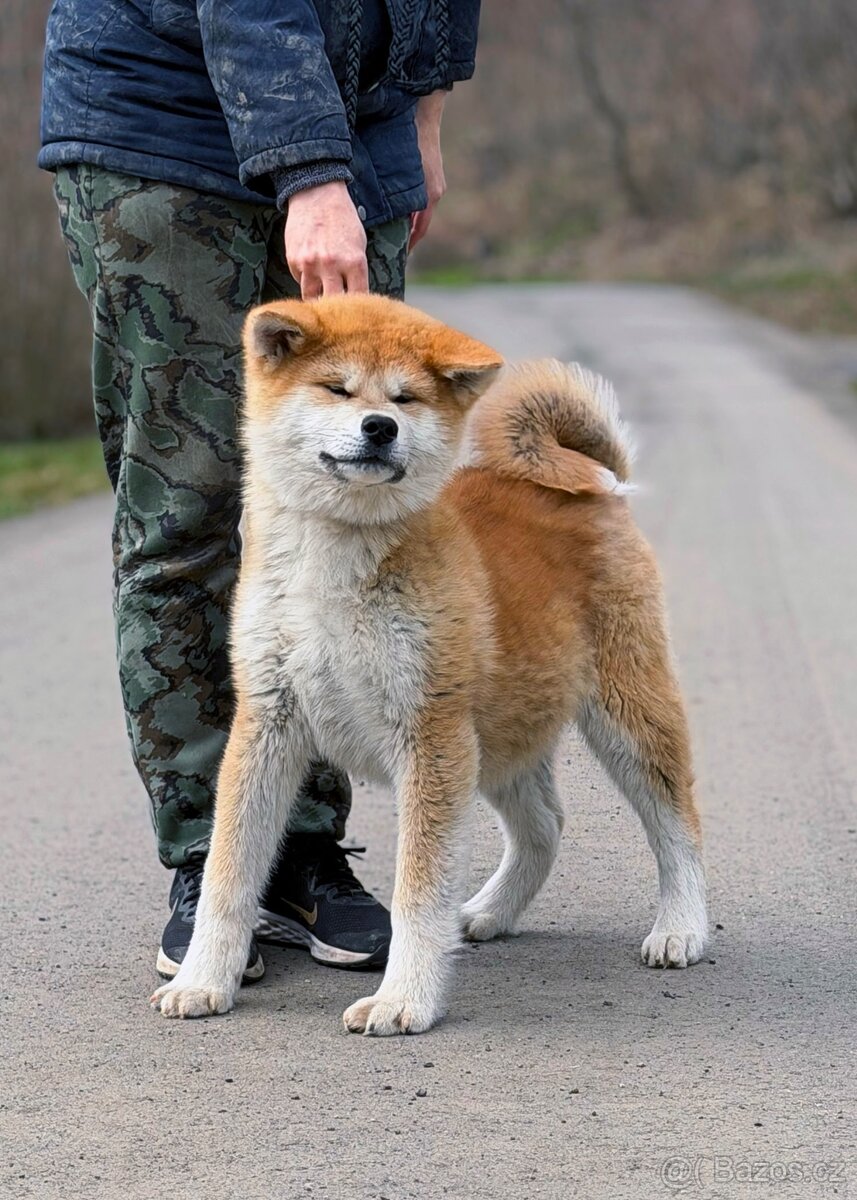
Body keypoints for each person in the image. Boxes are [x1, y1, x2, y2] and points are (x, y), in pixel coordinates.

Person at [39, 0, 481, 981]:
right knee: (187, 512)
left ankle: (303, 851)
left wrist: (421, 115)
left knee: (349, 512)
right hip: (165, 126)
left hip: (354, 133)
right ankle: (213, 860)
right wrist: (310, 174)